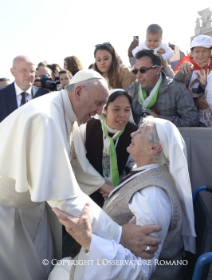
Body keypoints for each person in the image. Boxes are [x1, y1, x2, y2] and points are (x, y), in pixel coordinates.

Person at [0, 70, 161, 280]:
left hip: (33, 206)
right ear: (78, 92)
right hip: (11, 211)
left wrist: (110, 191)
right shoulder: (45, 119)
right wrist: (119, 235)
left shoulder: (64, 111)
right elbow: (65, 196)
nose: (98, 112)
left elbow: (77, 165)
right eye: (98, 103)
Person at [51, 117, 196, 280]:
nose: (133, 133)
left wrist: (89, 240)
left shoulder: (152, 195)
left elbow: (142, 269)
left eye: (140, 131)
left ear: (154, 147)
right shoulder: (145, 173)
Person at [79, 89, 137, 207]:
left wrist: (119, 188)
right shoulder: (88, 127)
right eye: (116, 109)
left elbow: (134, 167)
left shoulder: (133, 134)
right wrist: (101, 185)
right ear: (104, 110)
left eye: (127, 110)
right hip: (87, 191)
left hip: (118, 193)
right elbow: (79, 162)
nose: (122, 115)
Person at [125, 49, 199, 127]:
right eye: (135, 71)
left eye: (143, 70)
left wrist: (160, 120)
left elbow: (192, 122)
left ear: (157, 70)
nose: (138, 75)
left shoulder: (177, 89)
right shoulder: (132, 89)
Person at [174, 34, 212, 127]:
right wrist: (182, 72)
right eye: (197, 51)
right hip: (191, 116)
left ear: (210, 52)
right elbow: (175, 88)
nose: (200, 54)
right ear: (191, 53)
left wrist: (203, 91)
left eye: (204, 51)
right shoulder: (186, 67)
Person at [0, 55, 48, 122]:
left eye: (32, 71)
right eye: (23, 70)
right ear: (13, 72)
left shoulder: (45, 96)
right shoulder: (1, 95)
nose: (29, 75)